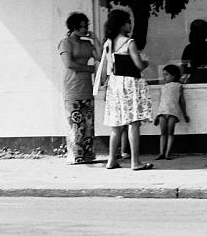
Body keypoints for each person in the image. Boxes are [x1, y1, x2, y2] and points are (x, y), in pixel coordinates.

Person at [100, 9, 153, 170]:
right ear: (122, 24)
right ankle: (135, 161)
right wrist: (146, 63)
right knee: (133, 123)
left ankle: (111, 160)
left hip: (115, 83)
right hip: (130, 83)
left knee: (116, 125)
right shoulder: (129, 43)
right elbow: (138, 65)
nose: (130, 24)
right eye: (128, 21)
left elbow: (107, 66)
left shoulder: (108, 43)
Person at [58, 12, 101, 164]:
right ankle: (75, 156)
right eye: (80, 26)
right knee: (75, 123)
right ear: (73, 27)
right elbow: (68, 63)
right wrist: (89, 69)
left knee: (88, 124)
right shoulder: (65, 43)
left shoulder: (87, 44)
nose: (83, 29)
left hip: (86, 87)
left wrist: (94, 39)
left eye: (85, 26)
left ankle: (88, 155)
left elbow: (100, 57)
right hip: (72, 86)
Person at [153, 64, 190, 160]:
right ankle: (161, 152)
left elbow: (182, 101)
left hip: (173, 112)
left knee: (170, 133)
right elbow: (160, 101)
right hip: (162, 112)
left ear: (174, 75)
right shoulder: (163, 87)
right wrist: (157, 115)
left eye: (166, 74)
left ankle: (167, 153)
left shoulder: (179, 86)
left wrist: (184, 114)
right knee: (163, 133)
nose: (164, 77)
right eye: (163, 74)